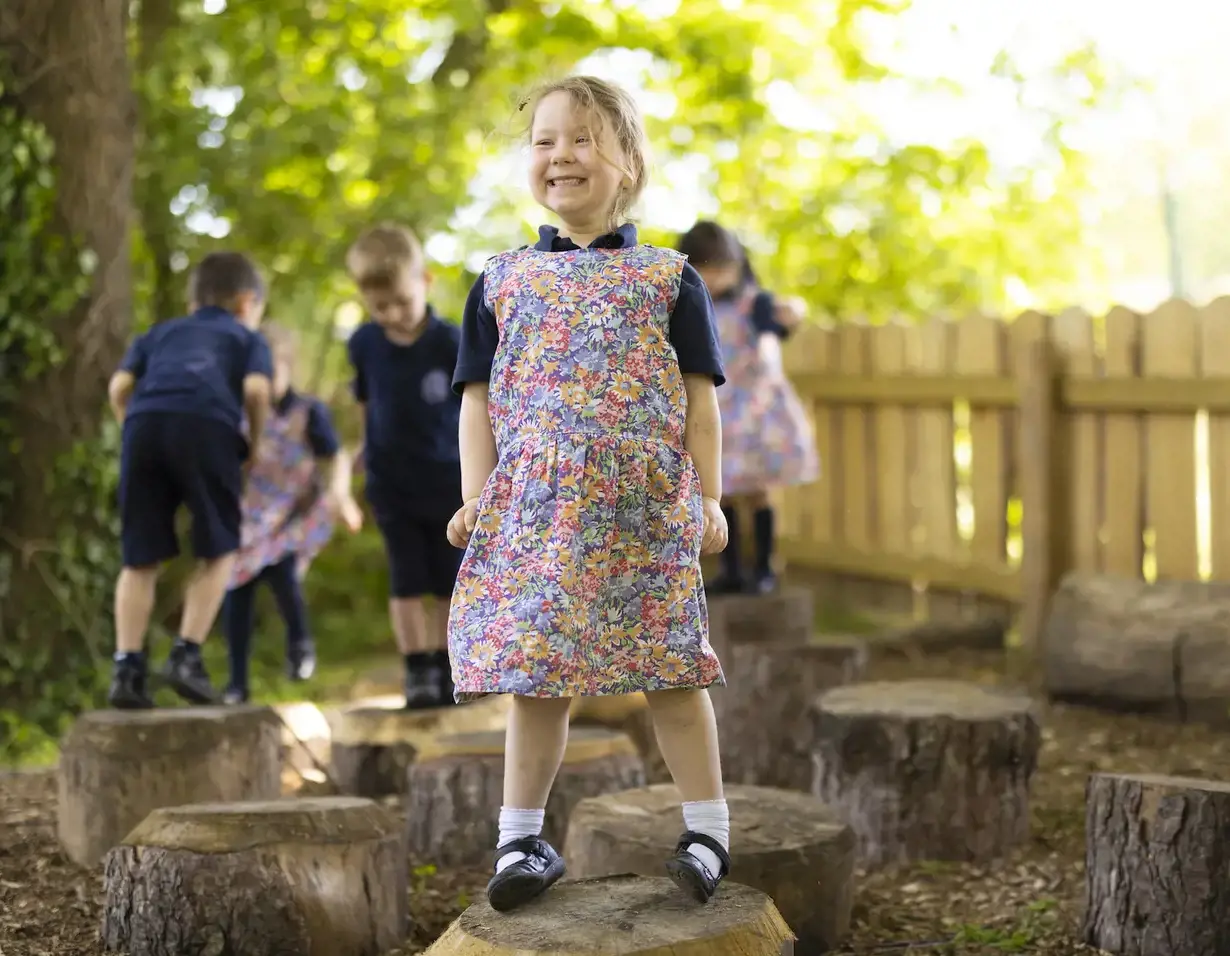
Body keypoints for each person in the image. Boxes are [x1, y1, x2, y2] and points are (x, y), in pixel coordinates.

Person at [447, 75, 732, 913]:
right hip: (536, 510)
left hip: (642, 506)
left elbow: (701, 399)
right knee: (538, 677)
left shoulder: (668, 277)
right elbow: (475, 401)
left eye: (581, 139)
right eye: (543, 141)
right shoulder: (501, 280)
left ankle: (708, 827)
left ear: (627, 163)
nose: (559, 155)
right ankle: (520, 839)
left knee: (672, 666)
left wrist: (709, 497)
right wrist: (477, 495)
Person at [105, 251, 273, 709]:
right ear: (246, 302)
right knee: (220, 548)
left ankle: (127, 669)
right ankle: (186, 656)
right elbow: (257, 391)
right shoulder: (245, 338)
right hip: (209, 427)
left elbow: (119, 388)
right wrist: (253, 443)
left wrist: (131, 427)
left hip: (144, 426)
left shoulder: (160, 333)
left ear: (193, 299)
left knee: (139, 558)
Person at [344, 223, 465, 709]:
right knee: (407, 579)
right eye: (380, 308)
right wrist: (362, 450)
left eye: (401, 302)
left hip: (446, 479)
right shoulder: (364, 344)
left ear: (425, 281)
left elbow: (477, 411)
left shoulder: (452, 342)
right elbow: (365, 403)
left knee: (446, 579)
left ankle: (444, 663)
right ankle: (416, 667)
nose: (392, 315)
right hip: (391, 481)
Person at [219, 322, 363, 705]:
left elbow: (335, 458)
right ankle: (236, 681)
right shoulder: (240, 412)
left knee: (282, 573)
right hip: (251, 516)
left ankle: (301, 646)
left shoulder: (307, 411)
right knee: (237, 587)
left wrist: (340, 495)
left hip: (295, 511)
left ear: (286, 367)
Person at [676, 222, 819, 595]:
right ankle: (732, 569)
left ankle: (764, 568)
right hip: (718, 415)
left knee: (758, 493)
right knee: (726, 495)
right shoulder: (691, 306)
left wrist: (795, 310)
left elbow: (786, 320)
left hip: (758, 415)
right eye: (707, 268)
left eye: (723, 267)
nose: (716, 276)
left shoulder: (754, 304)